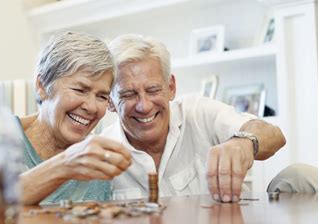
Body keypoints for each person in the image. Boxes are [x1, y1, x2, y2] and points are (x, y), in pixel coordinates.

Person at [102, 34, 286, 203]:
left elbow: (274, 136)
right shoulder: (101, 153)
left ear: (171, 87)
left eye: (153, 90)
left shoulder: (198, 112)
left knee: (300, 176)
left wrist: (243, 143)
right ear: (109, 101)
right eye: (128, 94)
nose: (145, 106)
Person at [18, 31, 132, 205]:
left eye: (102, 96)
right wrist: (65, 165)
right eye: (80, 90)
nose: (91, 107)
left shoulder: (98, 163)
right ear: (42, 86)